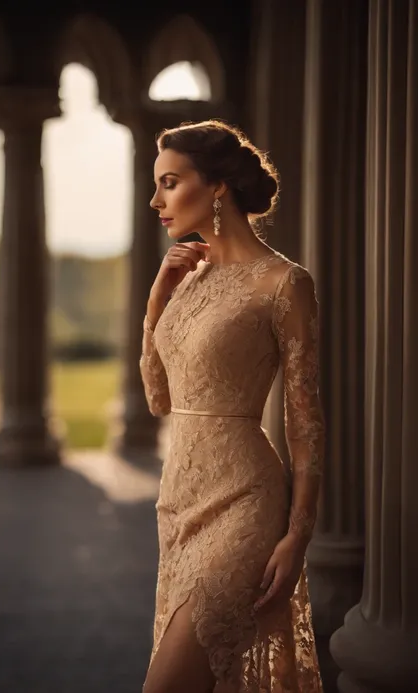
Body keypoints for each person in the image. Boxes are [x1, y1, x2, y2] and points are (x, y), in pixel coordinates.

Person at [139, 119, 325, 693]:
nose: (156, 200)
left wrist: (297, 535)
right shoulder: (188, 280)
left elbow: (306, 422)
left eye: (170, 182)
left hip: (246, 502)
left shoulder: (283, 283)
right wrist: (157, 298)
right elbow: (159, 398)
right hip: (178, 504)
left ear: (216, 186)